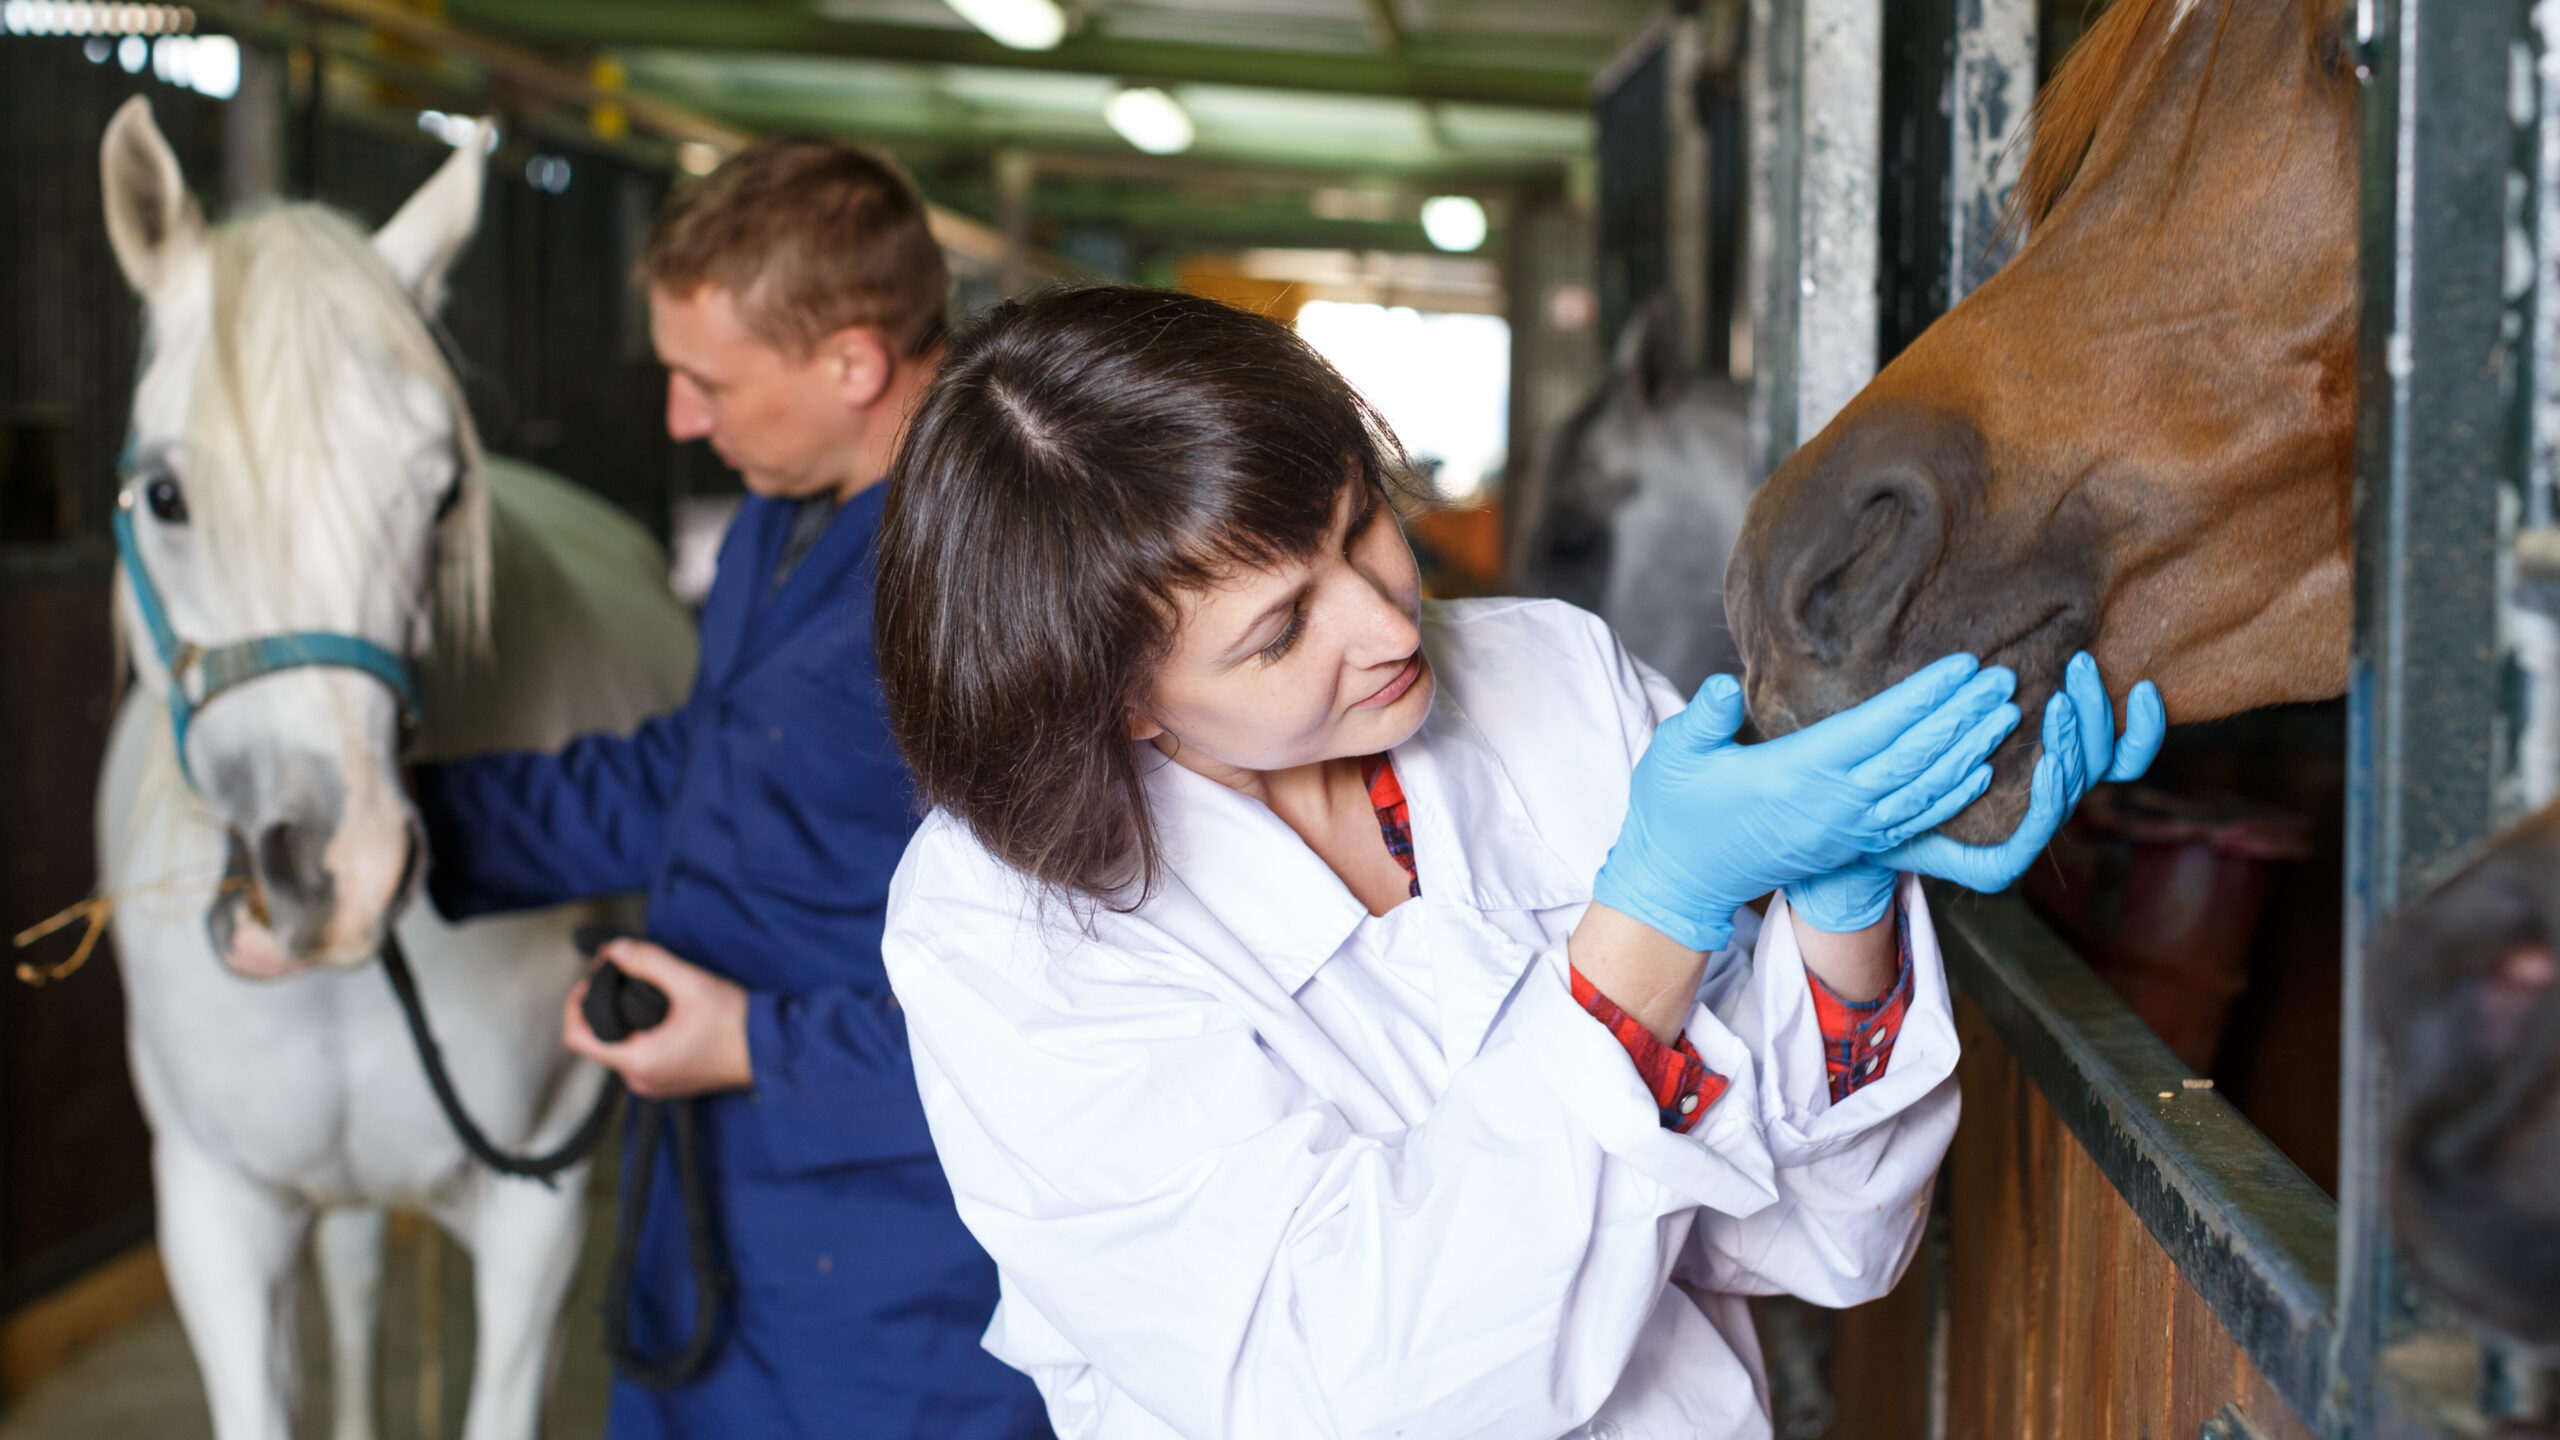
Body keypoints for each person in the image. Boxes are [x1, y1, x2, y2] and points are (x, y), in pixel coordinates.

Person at [871, 286, 2167, 1439]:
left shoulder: (1545, 674)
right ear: (1121, 704)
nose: (1386, 620)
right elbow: (1340, 1389)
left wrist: (1845, 910)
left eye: (1360, 524)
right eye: (1278, 633)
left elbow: (1822, 1241)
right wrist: (1647, 929)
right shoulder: (1004, 927)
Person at [410, 138, 1052, 1439]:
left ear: (853, 363)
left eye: (708, 383)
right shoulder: (786, 511)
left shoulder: (1005, 584)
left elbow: (1067, 1000)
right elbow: (706, 772)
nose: (680, 421)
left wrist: (751, 1046)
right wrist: (407, 836)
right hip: (709, 1237)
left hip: (896, 1282)